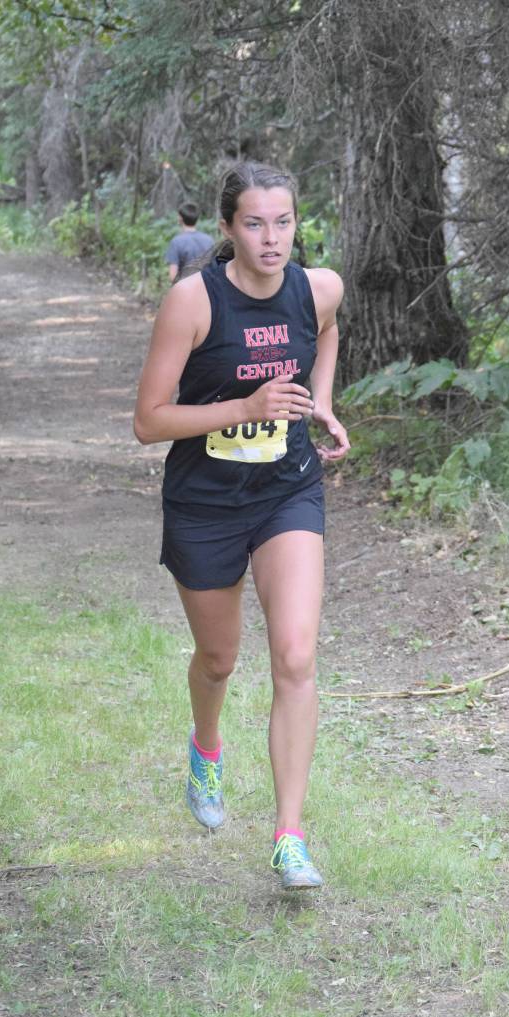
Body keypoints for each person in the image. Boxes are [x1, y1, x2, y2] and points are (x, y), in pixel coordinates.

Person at [134, 161, 350, 890]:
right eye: (254, 223)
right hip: (205, 501)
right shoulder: (193, 302)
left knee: (295, 655)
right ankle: (206, 746)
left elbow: (328, 331)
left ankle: (290, 836)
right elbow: (148, 421)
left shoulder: (317, 288)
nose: (271, 238)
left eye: (283, 222)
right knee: (220, 659)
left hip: (286, 490)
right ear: (228, 227)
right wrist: (245, 407)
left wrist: (321, 402)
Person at [165, 201, 215, 283]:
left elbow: (172, 275)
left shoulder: (176, 242)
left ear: (180, 219)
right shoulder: (209, 240)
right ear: (197, 219)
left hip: (184, 287)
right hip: (205, 287)